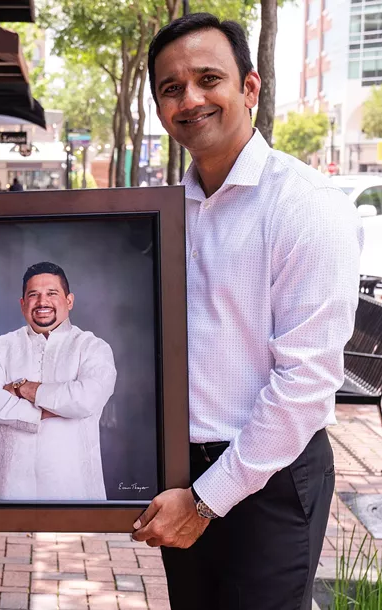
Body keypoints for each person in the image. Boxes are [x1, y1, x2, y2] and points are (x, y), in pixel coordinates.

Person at [131, 13, 363, 610]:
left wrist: (208, 499)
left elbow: (307, 383)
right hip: (183, 473)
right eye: (171, 87)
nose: (191, 98)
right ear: (159, 106)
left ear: (250, 88)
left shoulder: (306, 207)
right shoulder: (160, 213)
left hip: (270, 476)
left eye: (210, 78)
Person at [0, 262, 117, 501]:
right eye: (33, 295)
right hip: (7, 491)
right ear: (22, 304)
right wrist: (48, 412)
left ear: (69, 301)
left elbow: (85, 399)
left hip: (74, 491)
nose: (42, 302)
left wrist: (22, 388)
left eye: (52, 293)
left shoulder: (93, 347)